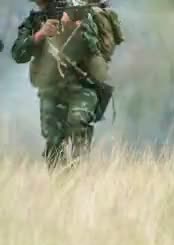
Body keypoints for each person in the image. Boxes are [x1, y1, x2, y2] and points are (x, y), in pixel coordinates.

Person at [11, 0, 106, 170]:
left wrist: (75, 27)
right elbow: (18, 54)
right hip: (50, 90)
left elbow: (94, 47)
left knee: (78, 124)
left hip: (81, 86)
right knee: (53, 140)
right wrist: (40, 34)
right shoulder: (34, 21)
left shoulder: (80, 13)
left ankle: (80, 175)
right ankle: (59, 184)